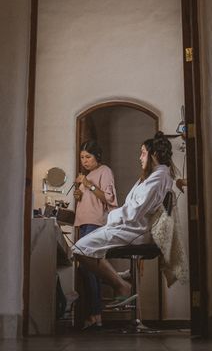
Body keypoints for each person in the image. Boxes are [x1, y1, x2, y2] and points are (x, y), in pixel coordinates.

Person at [72, 131, 176, 309]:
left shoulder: (157, 178)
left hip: (136, 230)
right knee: (82, 249)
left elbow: (132, 211)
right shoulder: (153, 176)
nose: (139, 157)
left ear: (155, 155)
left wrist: (110, 218)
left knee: (81, 249)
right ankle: (121, 279)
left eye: (143, 153)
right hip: (131, 226)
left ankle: (122, 285)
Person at [73, 140, 118, 330]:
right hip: (83, 224)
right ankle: (95, 315)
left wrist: (88, 185)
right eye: (82, 157)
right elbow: (90, 199)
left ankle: (95, 315)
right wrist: (79, 194)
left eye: (88, 157)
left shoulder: (104, 171)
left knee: (91, 270)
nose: (84, 161)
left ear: (97, 156)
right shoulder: (88, 175)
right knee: (87, 270)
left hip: (96, 224)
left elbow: (109, 199)